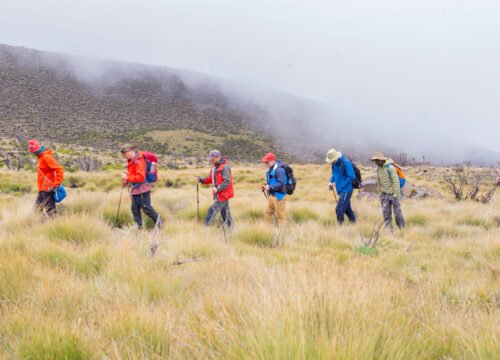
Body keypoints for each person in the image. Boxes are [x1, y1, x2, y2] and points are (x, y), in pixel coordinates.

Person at [121, 144, 162, 230]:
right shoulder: (132, 160)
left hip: (142, 190)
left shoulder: (139, 161)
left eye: (124, 155)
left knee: (147, 209)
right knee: (135, 209)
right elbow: (134, 174)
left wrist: (127, 177)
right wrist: (127, 175)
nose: (124, 157)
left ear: (128, 152)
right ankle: (138, 229)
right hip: (135, 190)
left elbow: (140, 177)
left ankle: (160, 226)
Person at [195, 150, 234, 228]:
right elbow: (210, 179)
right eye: (210, 159)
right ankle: (231, 228)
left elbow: (227, 181)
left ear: (218, 157)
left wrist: (218, 189)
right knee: (225, 212)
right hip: (218, 194)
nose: (211, 161)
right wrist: (200, 180)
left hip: (223, 194)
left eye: (212, 159)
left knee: (212, 210)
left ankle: (204, 228)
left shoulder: (225, 167)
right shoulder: (214, 167)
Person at [27, 139, 64, 217]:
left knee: (50, 212)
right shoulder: (40, 157)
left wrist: (55, 185)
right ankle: (42, 225)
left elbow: (59, 169)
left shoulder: (46, 157)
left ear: (36, 151)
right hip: (42, 189)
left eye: (32, 151)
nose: (32, 153)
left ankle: (56, 226)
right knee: (36, 210)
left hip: (48, 189)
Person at [370, 152, 405, 229]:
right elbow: (379, 181)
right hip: (384, 194)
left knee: (397, 213)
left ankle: (402, 228)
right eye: (374, 160)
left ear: (381, 160)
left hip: (393, 194)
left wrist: (396, 194)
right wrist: (380, 192)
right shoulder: (379, 169)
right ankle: (389, 230)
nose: (375, 162)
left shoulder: (390, 168)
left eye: (376, 160)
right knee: (386, 213)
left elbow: (396, 180)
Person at [260, 152, 287, 246]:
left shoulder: (279, 170)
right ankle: (270, 234)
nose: (266, 164)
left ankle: (281, 240)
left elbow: (281, 183)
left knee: (280, 218)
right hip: (271, 196)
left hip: (279, 197)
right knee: (267, 213)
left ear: (272, 161)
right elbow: (271, 182)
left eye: (267, 162)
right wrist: (265, 186)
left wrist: (270, 187)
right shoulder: (269, 169)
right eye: (265, 162)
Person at [325, 148, 356, 224]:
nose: (331, 162)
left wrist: (342, 186)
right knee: (347, 209)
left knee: (339, 209)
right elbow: (334, 174)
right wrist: (331, 182)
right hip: (340, 190)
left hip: (346, 190)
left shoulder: (346, 162)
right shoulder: (334, 164)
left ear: (336, 157)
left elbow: (351, 176)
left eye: (332, 160)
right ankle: (354, 224)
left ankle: (340, 228)